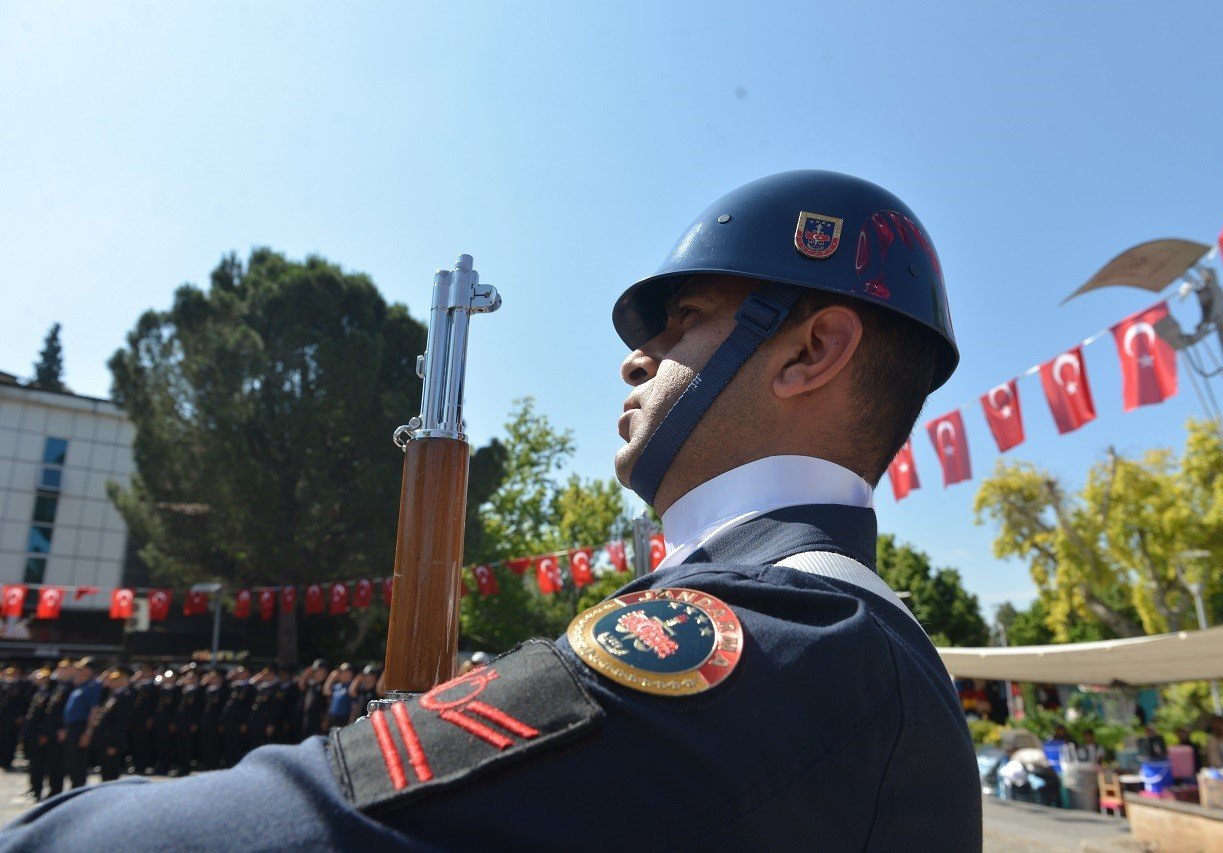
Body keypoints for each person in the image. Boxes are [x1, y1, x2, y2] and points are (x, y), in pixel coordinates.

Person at [0, 170, 981, 849]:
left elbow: (274, 832)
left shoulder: (787, 637)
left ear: (810, 351)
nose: (636, 358)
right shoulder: (821, 636)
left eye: (685, 319)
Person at [58, 659, 101, 791]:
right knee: (71, 761)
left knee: (78, 762)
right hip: (71, 727)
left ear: (89, 671)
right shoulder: (79, 686)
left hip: (80, 727)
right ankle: (74, 787)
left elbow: (94, 710)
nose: (77, 672)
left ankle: (78, 789)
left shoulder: (92, 686)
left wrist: (88, 731)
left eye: (81, 669)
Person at [85, 668, 132, 782]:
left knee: (111, 773)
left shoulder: (124, 696)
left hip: (111, 741)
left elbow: (120, 723)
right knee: (105, 772)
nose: (111, 681)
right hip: (105, 740)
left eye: (115, 679)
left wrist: (113, 744)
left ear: (123, 680)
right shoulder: (113, 694)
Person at [20, 668, 54, 800]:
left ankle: (38, 789)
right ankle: (33, 787)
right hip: (32, 733)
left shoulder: (49, 694)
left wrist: (44, 733)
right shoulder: (38, 692)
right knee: (33, 763)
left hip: (39, 734)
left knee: (39, 763)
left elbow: (46, 717)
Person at [170, 665, 204, 775]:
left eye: (192, 677)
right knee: (179, 745)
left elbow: (199, 708)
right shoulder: (182, 689)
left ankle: (185, 768)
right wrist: (174, 722)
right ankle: (180, 766)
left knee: (187, 746)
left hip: (189, 722)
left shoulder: (199, 690)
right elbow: (178, 707)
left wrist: (195, 723)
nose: (189, 679)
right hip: (180, 721)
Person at [218, 666, 253, 767]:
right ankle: (229, 762)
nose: (239, 674)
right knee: (229, 743)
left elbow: (248, 707)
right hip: (230, 720)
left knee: (239, 743)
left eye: (242, 672)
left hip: (240, 721)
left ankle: (237, 763)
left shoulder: (250, 687)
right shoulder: (233, 686)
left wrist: (244, 722)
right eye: (238, 672)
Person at [126, 663, 157, 774]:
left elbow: (154, 704)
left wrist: (151, 718)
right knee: (134, 742)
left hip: (145, 719)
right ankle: (135, 764)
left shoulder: (154, 685)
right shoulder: (135, 685)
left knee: (144, 743)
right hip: (134, 719)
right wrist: (133, 680)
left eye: (147, 671)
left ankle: (143, 765)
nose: (144, 673)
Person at [198, 668, 227, 770]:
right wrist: (203, 683)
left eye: (215, 677)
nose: (212, 679)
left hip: (216, 721)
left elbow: (223, 707)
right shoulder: (206, 688)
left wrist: (221, 722)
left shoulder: (224, 689)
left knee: (215, 743)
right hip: (206, 720)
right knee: (205, 742)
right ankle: (206, 763)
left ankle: (214, 764)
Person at [297, 659, 329, 738]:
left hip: (319, 719)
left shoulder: (325, 685)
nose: (319, 673)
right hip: (307, 717)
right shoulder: (311, 684)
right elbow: (301, 684)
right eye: (317, 671)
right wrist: (307, 671)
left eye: (321, 671)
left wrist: (325, 720)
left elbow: (328, 704)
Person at [322, 663, 355, 731]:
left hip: (344, 719)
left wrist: (351, 720)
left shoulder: (351, 687)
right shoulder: (337, 686)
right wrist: (332, 677)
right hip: (332, 718)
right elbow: (326, 691)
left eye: (347, 672)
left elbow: (354, 705)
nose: (344, 674)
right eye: (342, 672)